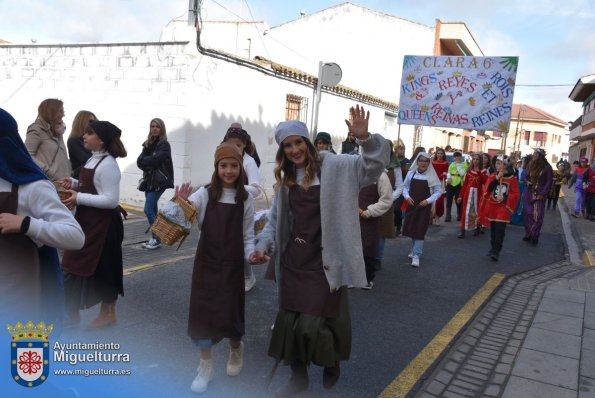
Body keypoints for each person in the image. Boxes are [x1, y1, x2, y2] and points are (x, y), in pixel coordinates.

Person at [250, 107, 390, 396]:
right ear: (282, 151)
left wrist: (365, 139)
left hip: (325, 261)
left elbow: (372, 168)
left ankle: (331, 359)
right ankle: (298, 377)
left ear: (308, 143)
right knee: (288, 326)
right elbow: (275, 222)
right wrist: (262, 246)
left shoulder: (335, 166)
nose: (294, 149)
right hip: (294, 262)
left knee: (311, 327)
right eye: (287, 145)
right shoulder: (286, 182)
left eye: (298, 142)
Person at [174, 143, 255, 394]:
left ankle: (235, 349)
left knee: (231, 312)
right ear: (216, 168)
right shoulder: (204, 194)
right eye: (223, 166)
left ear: (240, 168)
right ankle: (205, 365)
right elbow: (184, 217)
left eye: (233, 166)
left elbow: (248, 234)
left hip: (232, 267)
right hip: (206, 264)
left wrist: (251, 253)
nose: (228, 171)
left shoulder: (246, 198)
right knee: (202, 316)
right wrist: (181, 203)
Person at [0, 108, 84, 325]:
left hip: (22, 301)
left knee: (24, 358)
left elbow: (75, 236)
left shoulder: (33, 187)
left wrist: (25, 224)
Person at [60, 121, 127, 329]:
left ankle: (108, 314)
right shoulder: (93, 159)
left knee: (106, 270)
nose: (84, 136)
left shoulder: (108, 165)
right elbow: (93, 187)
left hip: (105, 226)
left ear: (101, 140)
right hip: (88, 222)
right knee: (71, 264)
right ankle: (71, 313)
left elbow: (110, 200)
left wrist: (78, 197)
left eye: (89, 133)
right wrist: (74, 184)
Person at [223, 123, 261, 292]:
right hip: (226, 207)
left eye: (238, 145)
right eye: (231, 144)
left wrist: (236, 187)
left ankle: (248, 276)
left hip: (243, 208)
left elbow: (256, 189)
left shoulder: (249, 162)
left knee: (242, 243)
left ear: (244, 144)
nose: (234, 148)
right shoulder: (224, 157)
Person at [137, 118, 174, 249]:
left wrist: (147, 161)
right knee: (153, 209)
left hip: (159, 181)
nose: (154, 128)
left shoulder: (164, 144)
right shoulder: (147, 144)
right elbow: (139, 161)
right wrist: (148, 160)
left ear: (161, 129)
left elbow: (156, 160)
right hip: (149, 181)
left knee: (148, 209)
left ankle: (156, 239)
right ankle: (156, 238)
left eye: (157, 126)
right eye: (152, 126)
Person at [402, 152, 442, 267]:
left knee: (420, 229)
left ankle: (416, 255)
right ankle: (414, 249)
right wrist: (407, 197)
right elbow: (405, 187)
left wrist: (428, 201)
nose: (423, 163)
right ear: (417, 162)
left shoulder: (431, 176)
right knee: (413, 227)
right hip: (412, 204)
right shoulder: (411, 173)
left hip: (424, 207)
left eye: (425, 161)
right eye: (421, 161)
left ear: (429, 163)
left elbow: (438, 191)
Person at [358, 171, 393, 289]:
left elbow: (386, 199)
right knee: (351, 245)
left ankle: (368, 277)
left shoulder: (381, 176)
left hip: (369, 218)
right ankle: (353, 276)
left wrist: (370, 211)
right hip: (352, 217)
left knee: (368, 246)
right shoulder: (355, 171)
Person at [482, 156, 520, 261]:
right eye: (497, 163)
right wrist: (497, 178)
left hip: (503, 207)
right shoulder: (493, 176)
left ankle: (496, 251)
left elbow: (516, 194)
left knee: (500, 230)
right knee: (493, 229)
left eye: (500, 164)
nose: (497, 166)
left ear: (505, 166)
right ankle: (493, 247)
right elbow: (488, 189)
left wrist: (505, 197)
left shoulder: (512, 179)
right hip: (492, 206)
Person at [25, 98, 72, 181]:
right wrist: (49, 172)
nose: (63, 114)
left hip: (65, 183)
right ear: (51, 112)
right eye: (60, 111)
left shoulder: (58, 130)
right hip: (50, 183)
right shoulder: (36, 129)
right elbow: (28, 156)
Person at [522, 149, 553, 245]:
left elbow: (549, 182)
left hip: (539, 195)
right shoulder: (531, 164)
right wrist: (527, 182)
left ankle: (534, 235)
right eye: (533, 153)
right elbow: (526, 177)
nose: (534, 155)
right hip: (528, 193)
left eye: (536, 154)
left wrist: (542, 194)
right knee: (528, 214)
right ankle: (528, 234)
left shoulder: (547, 168)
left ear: (541, 156)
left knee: (538, 216)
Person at [456, 153, 487, 238]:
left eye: (477, 159)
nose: (475, 161)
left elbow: (485, 182)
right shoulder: (469, 171)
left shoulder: (483, 171)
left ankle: (477, 227)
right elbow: (465, 185)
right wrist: (460, 196)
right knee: (466, 212)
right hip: (468, 193)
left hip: (478, 194)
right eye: (474, 159)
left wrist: (479, 172)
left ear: (480, 161)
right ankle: (462, 230)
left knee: (477, 212)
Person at [67, 111, 97, 179]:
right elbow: (86, 160)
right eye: (90, 121)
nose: (93, 124)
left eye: (94, 121)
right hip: (81, 179)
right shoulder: (73, 141)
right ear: (82, 122)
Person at [444, 151, 468, 222]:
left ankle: (459, 215)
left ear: (461, 157)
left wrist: (458, 164)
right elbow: (449, 172)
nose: (457, 157)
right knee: (449, 199)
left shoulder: (464, 164)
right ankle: (448, 215)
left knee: (458, 200)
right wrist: (448, 178)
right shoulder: (451, 164)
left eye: (458, 156)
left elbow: (462, 173)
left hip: (459, 184)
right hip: (450, 183)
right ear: (454, 158)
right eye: (455, 156)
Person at [394, 139, 409, 235]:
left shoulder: (406, 161)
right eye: (400, 149)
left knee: (397, 208)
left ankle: (398, 227)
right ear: (395, 149)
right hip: (391, 186)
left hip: (402, 187)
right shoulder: (391, 160)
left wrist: (402, 169)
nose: (402, 151)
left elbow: (408, 174)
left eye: (403, 149)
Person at [510, 155, 530, 226]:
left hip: (524, 188)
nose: (522, 163)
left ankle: (519, 220)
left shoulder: (528, 170)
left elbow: (523, 179)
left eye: (524, 161)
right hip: (520, 187)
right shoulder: (523, 169)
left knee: (521, 204)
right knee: (518, 203)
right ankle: (515, 218)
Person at [431, 147, 449, 224]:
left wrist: (442, 176)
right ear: (436, 154)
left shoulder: (446, 163)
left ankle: (437, 217)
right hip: (432, 182)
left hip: (440, 183)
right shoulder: (432, 162)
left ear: (443, 154)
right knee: (431, 200)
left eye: (441, 153)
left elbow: (446, 173)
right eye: (438, 153)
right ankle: (430, 217)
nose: (440, 155)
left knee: (439, 201)